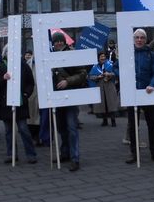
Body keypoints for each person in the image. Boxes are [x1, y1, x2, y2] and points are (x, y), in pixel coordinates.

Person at [0, 44, 37, 164]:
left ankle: (31, 154)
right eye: (9, 52)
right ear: (5, 54)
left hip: (20, 103)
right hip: (5, 105)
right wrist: (2, 78)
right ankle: (11, 154)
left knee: (23, 129)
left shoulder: (23, 66)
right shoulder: (1, 67)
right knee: (8, 131)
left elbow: (30, 83)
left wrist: (25, 94)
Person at [125, 29, 154, 164]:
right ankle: (133, 153)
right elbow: (118, 69)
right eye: (137, 37)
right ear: (133, 39)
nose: (139, 40)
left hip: (148, 93)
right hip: (132, 94)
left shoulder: (151, 54)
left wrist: (152, 84)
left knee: (152, 124)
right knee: (132, 125)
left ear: (145, 39)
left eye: (142, 37)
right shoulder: (127, 53)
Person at [51, 32, 88, 172]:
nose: (58, 43)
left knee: (72, 127)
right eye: (56, 41)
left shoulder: (73, 53)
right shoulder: (50, 56)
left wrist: (67, 81)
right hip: (56, 98)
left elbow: (83, 74)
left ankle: (75, 158)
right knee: (61, 127)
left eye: (60, 41)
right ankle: (65, 153)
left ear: (64, 42)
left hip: (71, 96)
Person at [89, 51, 119, 127]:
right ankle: (104, 120)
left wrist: (109, 74)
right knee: (103, 104)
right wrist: (97, 77)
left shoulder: (110, 65)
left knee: (111, 103)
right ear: (98, 58)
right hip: (100, 86)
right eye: (101, 57)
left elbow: (116, 73)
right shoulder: (95, 67)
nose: (103, 58)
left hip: (109, 86)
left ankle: (113, 121)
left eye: (104, 56)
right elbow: (90, 76)